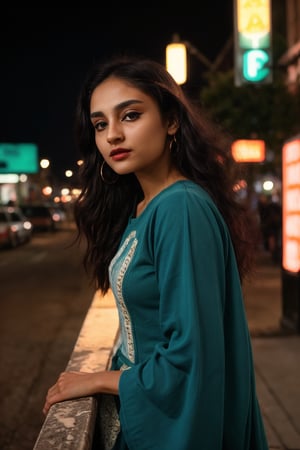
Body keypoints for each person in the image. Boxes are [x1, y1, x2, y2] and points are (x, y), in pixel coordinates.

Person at [43, 55, 269, 450]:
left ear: (171, 121)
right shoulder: (145, 207)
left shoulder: (180, 208)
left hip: (166, 422)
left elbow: (191, 356)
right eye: (100, 124)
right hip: (141, 407)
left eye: (129, 116)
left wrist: (98, 379)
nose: (112, 134)